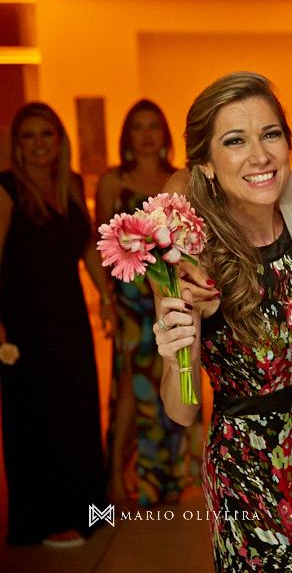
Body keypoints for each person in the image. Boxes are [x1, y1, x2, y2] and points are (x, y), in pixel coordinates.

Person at [154, 72, 292, 571]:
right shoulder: (194, 257)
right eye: (235, 141)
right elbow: (183, 412)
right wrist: (173, 357)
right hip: (249, 472)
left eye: (270, 134)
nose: (260, 155)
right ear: (205, 164)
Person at [0, 102, 114, 546]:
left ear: (60, 139)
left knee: (80, 414)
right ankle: (42, 519)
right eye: (28, 136)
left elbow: (85, 248)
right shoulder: (7, 189)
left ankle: (90, 511)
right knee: (36, 424)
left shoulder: (71, 184)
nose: (39, 144)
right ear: (17, 146)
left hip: (69, 318)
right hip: (24, 325)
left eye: (46, 134)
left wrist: (106, 298)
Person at [95, 99, 201, 507]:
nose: (145, 134)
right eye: (137, 126)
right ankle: (118, 478)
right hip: (131, 303)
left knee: (178, 377)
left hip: (174, 296)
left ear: (164, 133)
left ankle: (167, 479)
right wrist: (108, 302)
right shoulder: (113, 182)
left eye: (153, 125)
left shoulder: (180, 181)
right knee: (130, 389)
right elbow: (103, 247)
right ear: (127, 135)